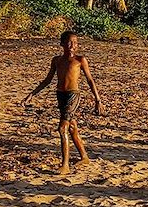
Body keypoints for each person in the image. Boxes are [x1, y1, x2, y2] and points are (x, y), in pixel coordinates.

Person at [22, 31, 103, 175]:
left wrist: (98, 100)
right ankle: (84, 157)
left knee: (62, 128)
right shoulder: (56, 60)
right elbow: (47, 80)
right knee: (72, 128)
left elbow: (90, 80)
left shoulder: (80, 60)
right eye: (69, 42)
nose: (72, 45)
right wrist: (31, 94)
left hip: (73, 95)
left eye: (75, 42)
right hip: (60, 95)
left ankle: (65, 165)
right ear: (62, 44)